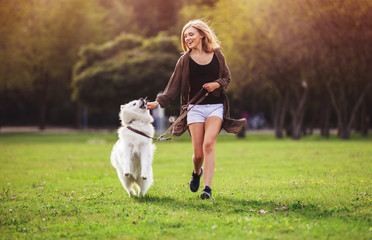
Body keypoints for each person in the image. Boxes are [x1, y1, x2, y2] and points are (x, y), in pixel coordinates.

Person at [147, 19, 246, 199]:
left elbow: (227, 78)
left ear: (202, 35)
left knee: (209, 145)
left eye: (191, 34)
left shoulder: (217, 56)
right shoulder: (184, 61)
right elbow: (173, 87)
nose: (187, 38)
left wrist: (216, 84)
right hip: (194, 109)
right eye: (185, 36)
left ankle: (207, 189)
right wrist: (158, 102)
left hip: (216, 107)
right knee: (198, 153)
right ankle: (196, 172)